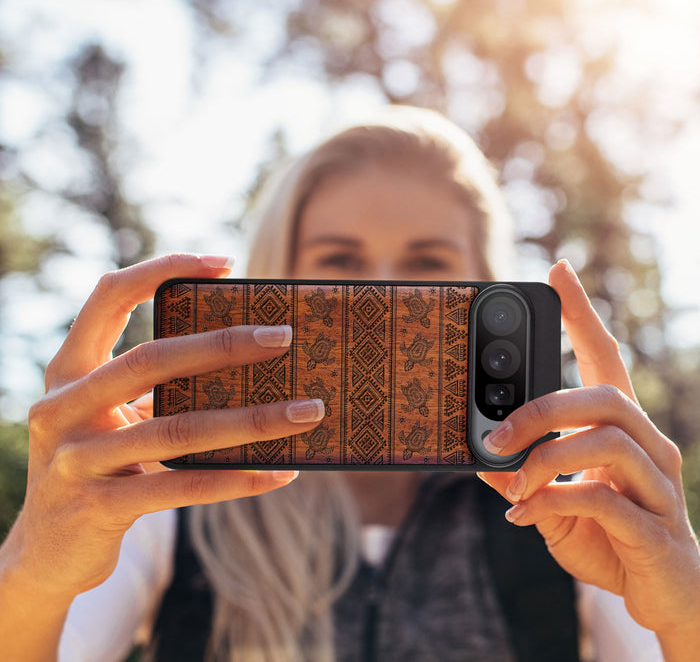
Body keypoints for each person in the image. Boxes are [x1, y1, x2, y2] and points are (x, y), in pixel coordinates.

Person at [0, 107, 698, 662]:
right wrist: (34, 569)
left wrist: (685, 610)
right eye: (339, 260)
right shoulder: (171, 497)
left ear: (486, 286)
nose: (379, 296)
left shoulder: (567, 505)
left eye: (427, 265)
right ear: (278, 280)